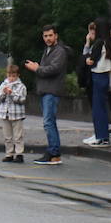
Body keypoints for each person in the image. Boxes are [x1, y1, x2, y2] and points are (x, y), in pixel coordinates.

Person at [25, 24, 70, 165]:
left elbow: (54, 69)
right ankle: (54, 153)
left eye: (50, 35)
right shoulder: (48, 50)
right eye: (45, 36)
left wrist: (37, 68)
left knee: (48, 122)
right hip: (46, 90)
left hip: (52, 90)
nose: (48, 38)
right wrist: (38, 67)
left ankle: (53, 152)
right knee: (49, 122)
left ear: (56, 35)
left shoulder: (59, 51)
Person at [82, 18, 111, 147]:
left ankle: (101, 137)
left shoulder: (99, 43)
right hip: (105, 75)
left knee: (97, 108)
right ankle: (103, 136)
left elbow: (90, 60)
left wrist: (87, 57)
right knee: (102, 108)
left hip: (98, 75)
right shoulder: (107, 42)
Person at [0, 61, 28, 163]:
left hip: (17, 115)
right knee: (7, 136)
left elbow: (22, 99)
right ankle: (9, 153)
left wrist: (12, 94)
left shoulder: (21, 86)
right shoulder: (3, 84)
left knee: (18, 136)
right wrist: (4, 94)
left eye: (13, 76)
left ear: (17, 76)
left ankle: (19, 154)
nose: (11, 78)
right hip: (5, 114)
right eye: (9, 76)